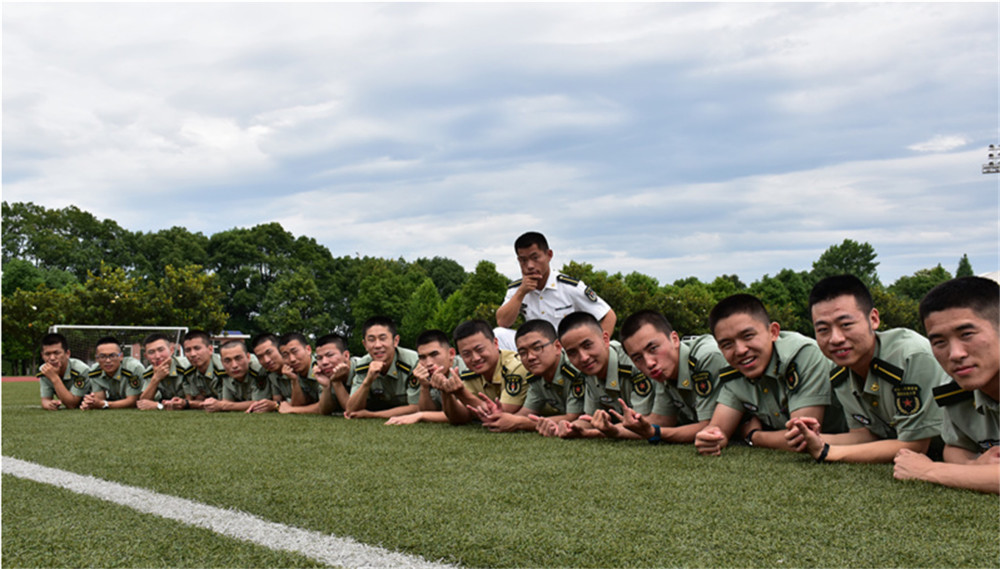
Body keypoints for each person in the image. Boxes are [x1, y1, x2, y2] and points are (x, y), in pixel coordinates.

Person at [786, 275, 947, 463]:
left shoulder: (910, 356)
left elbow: (915, 446)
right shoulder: (839, 372)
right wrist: (812, 438)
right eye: (823, 329)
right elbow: (864, 435)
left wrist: (828, 452)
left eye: (846, 325)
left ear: (873, 319)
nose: (835, 339)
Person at [695, 294, 845, 456]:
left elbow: (801, 438)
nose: (740, 350)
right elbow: (718, 429)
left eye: (748, 336)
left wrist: (753, 436)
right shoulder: (734, 371)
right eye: (727, 344)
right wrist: (710, 438)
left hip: (853, 439)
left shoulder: (802, 355)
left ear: (773, 332)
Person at [893, 276, 1000, 494]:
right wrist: (973, 465)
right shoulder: (953, 389)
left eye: (967, 334)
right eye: (939, 342)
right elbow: (955, 447)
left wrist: (928, 471)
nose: (955, 354)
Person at [538, 312, 663, 439]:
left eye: (587, 345)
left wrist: (593, 433)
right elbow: (590, 418)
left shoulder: (633, 364)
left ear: (605, 339)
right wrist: (568, 427)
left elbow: (640, 424)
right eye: (572, 352)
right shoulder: (589, 370)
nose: (583, 358)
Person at [617, 310, 728, 444]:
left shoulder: (706, 357)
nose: (649, 363)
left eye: (653, 348)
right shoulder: (664, 370)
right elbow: (662, 420)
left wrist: (655, 433)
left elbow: (711, 426)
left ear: (674, 339)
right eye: (638, 358)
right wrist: (613, 430)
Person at [495, 232, 616, 348]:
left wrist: (596, 347)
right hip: (534, 348)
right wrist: (521, 293)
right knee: (498, 334)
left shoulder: (569, 287)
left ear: (549, 255)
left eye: (535, 258)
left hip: (565, 349)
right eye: (523, 260)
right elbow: (503, 322)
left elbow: (608, 316)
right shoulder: (517, 289)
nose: (530, 265)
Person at [468, 320, 584, 432]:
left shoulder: (574, 368)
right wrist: (500, 417)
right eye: (523, 352)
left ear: (557, 347)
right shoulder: (536, 376)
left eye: (537, 348)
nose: (530, 357)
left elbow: (573, 417)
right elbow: (526, 412)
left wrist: (520, 423)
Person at [437, 320, 529, 426]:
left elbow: (501, 414)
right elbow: (459, 418)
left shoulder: (514, 367)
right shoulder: (470, 374)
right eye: (466, 354)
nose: (475, 358)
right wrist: (446, 392)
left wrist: (461, 393)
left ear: (495, 343)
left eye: (480, 349)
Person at [345, 316, 429, 419]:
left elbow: (416, 407)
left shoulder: (413, 362)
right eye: (371, 340)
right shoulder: (363, 365)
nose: (377, 345)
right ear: (365, 345)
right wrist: (367, 382)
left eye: (383, 338)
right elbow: (351, 410)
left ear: (395, 341)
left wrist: (372, 415)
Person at [384, 329, 464, 425]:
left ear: (451, 354)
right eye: (422, 357)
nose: (429, 363)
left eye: (434, 354)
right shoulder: (426, 372)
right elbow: (429, 411)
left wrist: (420, 415)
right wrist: (424, 386)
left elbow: (462, 415)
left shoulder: (464, 369)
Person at [201, 340, 274, 413]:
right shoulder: (224, 372)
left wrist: (221, 406)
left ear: (248, 357)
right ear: (222, 362)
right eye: (227, 360)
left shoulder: (258, 371)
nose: (234, 365)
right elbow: (227, 401)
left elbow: (259, 403)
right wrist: (212, 404)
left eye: (238, 358)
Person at [80, 336, 146, 410]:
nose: (108, 360)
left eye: (112, 355)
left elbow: (132, 401)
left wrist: (105, 404)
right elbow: (99, 400)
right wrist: (91, 402)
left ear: (121, 356)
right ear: (97, 358)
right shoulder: (94, 372)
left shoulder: (133, 368)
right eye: (102, 356)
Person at [137, 333, 193, 411]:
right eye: (151, 352)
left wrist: (159, 406)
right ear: (146, 356)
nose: (157, 356)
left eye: (161, 350)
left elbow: (190, 402)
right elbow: (143, 403)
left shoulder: (186, 367)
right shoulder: (149, 372)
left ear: (171, 350)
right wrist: (156, 378)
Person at [37, 332, 90, 410]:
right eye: (47, 354)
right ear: (42, 355)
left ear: (67, 354)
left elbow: (72, 404)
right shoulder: (45, 370)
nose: (52, 358)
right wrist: (50, 405)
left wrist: (54, 377)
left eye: (56, 353)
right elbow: (45, 400)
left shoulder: (81, 370)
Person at [276, 333, 327, 413]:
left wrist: (291, 410)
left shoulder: (322, 367)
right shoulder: (294, 372)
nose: (292, 359)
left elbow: (326, 406)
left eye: (295, 352)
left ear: (308, 350)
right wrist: (294, 380)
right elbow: (298, 404)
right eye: (285, 355)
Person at [179, 330, 225, 410]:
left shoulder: (223, 370)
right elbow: (196, 399)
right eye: (188, 350)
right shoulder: (189, 372)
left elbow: (226, 402)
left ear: (210, 349)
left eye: (197, 348)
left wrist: (188, 403)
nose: (192, 354)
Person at [247, 333, 286, 413]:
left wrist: (276, 405)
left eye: (269, 352)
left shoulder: (297, 366)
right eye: (260, 357)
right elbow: (277, 400)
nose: (266, 360)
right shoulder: (270, 373)